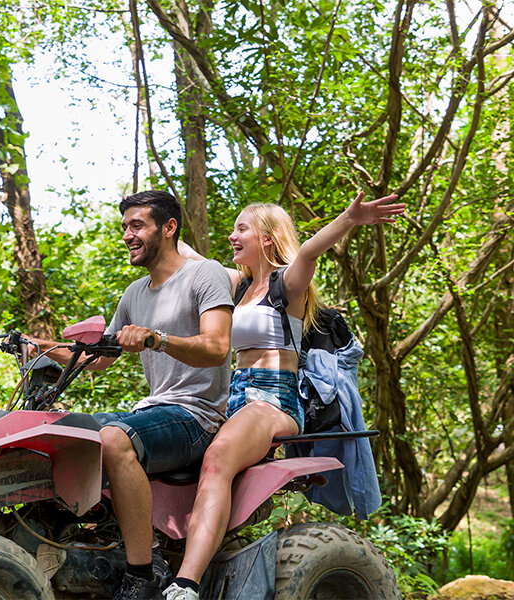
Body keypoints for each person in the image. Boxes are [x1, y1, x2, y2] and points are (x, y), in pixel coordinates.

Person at [162, 190, 406, 600]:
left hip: (273, 400)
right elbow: (186, 256)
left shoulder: (286, 285)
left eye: (242, 229)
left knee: (217, 459)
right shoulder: (238, 286)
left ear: (268, 239)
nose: (232, 236)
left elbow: (310, 250)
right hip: (233, 402)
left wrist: (349, 217)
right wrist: (153, 221)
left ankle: (185, 585)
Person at [27, 190, 234, 600]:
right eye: (125, 227)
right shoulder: (134, 293)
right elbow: (99, 358)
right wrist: (37, 345)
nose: (127, 235)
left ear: (169, 228)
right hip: (153, 411)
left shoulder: (204, 274)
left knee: (114, 439)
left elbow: (217, 348)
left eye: (137, 225)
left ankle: (143, 574)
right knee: (62, 431)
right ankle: (71, 536)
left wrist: (157, 339)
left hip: (197, 417)